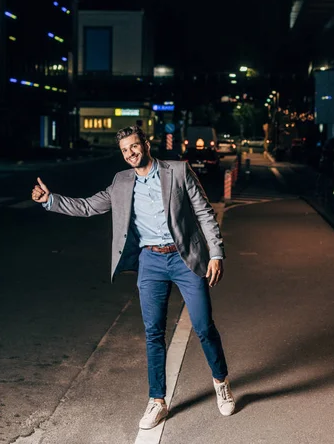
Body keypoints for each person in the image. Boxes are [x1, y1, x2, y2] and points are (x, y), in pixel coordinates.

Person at [32, 125, 235, 429]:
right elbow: (89, 206)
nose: (130, 153)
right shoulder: (121, 182)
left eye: (134, 147)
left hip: (184, 258)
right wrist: (50, 200)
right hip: (150, 261)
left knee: (204, 326)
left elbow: (204, 212)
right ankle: (157, 401)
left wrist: (216, 254)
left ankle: (221, 383)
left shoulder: (177, 171)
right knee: (153, 333)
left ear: (146, 144)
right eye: (125, 150)